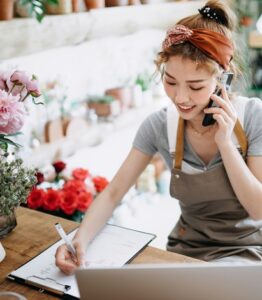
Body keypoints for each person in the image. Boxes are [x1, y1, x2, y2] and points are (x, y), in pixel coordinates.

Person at [56, 0, 262, 274]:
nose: (181, 97)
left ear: (223, 78)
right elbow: (114, 193)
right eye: (171, 81)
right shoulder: (159, 126)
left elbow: (258, 209)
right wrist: (77, 240)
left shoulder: (253, 117)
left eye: (196, 86)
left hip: (247, 253)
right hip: (186, 253)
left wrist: (225, 142)